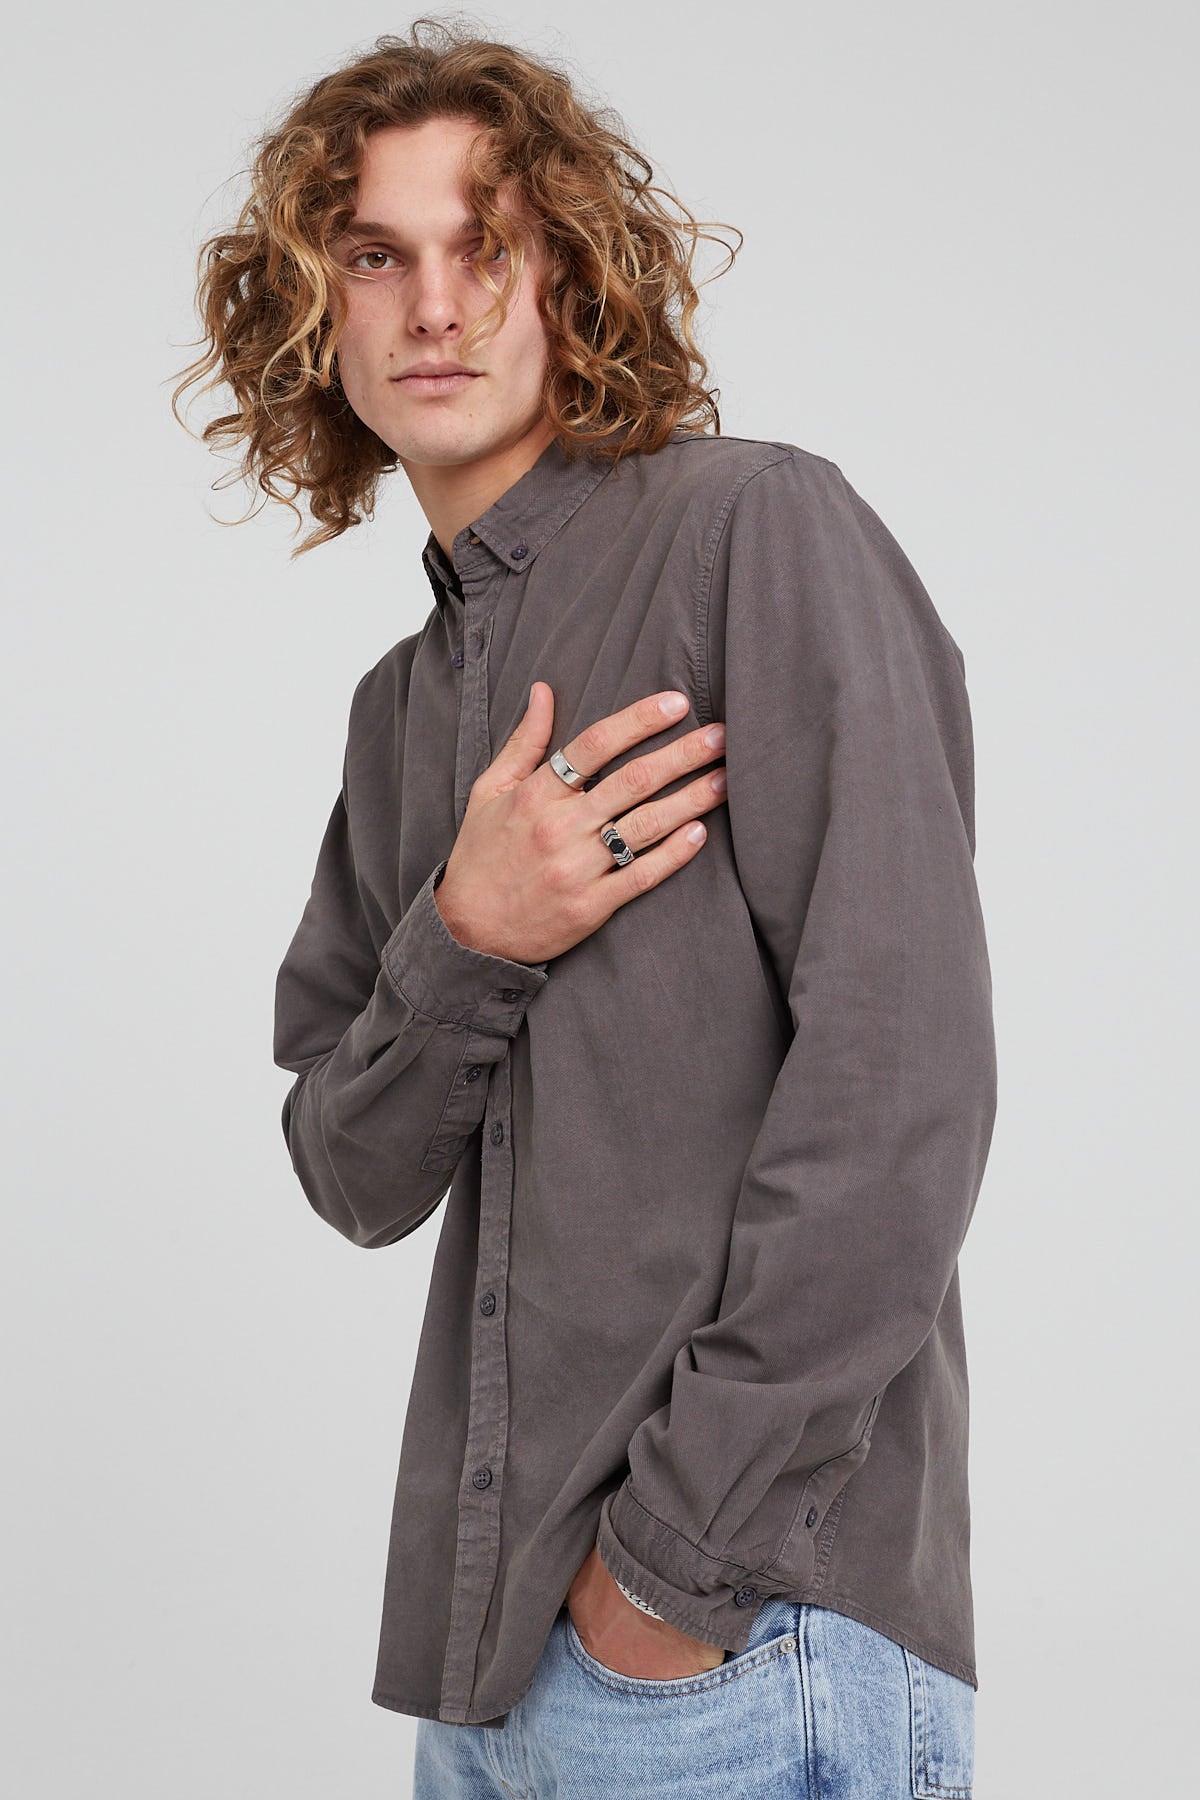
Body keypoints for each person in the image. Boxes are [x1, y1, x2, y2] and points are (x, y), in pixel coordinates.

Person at [173, 21, 996, 1798]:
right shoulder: (401, 711)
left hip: (740, 1649)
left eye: (487, 246)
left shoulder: (754, 532)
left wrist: (670, 1578)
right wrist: (470, 933)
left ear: (572, 276)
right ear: (315, 312)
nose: (435, 307)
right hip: (483, 1675)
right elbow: (349, 1167)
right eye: (375, 256)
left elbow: (901, 1088)